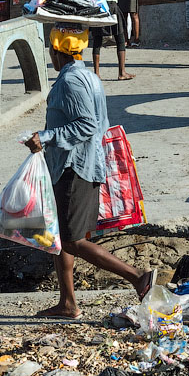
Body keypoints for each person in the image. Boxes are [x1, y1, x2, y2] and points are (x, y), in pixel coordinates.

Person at [23, 25, 153, 319]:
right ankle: (67, 302)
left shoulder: (71, 81)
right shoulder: (88, 76)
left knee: (72, 241)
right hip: (77, 164)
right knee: (61, 235)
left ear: (57, 52)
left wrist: (44, 137)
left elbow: (86, 125)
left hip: (75, 167)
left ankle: (137, 277)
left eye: (51, 51)